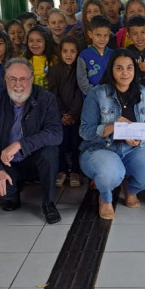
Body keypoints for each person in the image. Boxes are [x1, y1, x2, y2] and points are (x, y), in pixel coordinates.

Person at [79, 50, 145, 220]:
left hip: (133, 149)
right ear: (111, 70)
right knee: (111, 175)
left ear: (135, 69)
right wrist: (113, 126)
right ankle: (105, 198)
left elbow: (143, 126)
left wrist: (141, 135)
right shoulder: (98, 93)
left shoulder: (143, 92)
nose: (125, 73)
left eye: (129, 68)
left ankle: (130, 189)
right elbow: (85, 131)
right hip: (101, 148)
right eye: (119, 68)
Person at [0, 58, 63, 224]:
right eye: (13, 79)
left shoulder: (46, 98)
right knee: (1, 190)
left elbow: (56, 134)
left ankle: (49, 202)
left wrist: (20, 145)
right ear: (5, 79)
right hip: (7, 161)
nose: (18, 84)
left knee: (50, 152)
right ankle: (13, 193)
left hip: (34, 159)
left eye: (23, 79)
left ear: (31, 79)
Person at [49, 37, 84, 189]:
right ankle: (62, 170)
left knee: (75, 143)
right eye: (65, 51)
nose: (68, 55)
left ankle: (75, 171)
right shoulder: (55, 70)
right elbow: (53, 93)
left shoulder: (80, 69)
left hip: (77, 115)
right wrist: (63, 114)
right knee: (61, 143)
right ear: (59, 52)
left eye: (72, 51)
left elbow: (79, 92)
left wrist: (73, 114)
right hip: (60, 116)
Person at [76, 16, 113, 96]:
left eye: (105, 35)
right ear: (90, 34)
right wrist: (94, 93)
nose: (102, 39)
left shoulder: (113, 54)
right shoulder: (84, 56)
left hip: (111, 96)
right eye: (98, 35)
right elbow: (82, 80)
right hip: (91, 97)